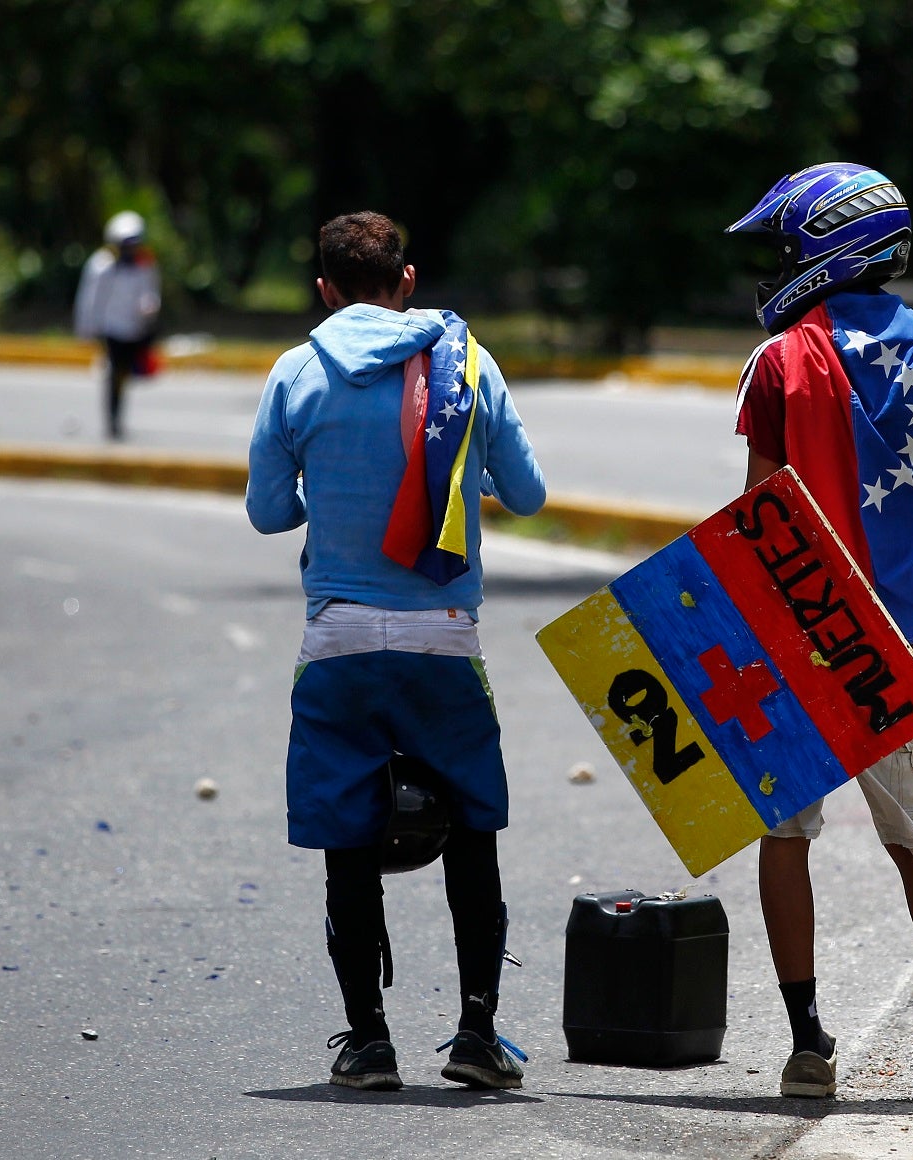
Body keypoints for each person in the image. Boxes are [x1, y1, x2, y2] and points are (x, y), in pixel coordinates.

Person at [726, 163, 913, 1101]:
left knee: (786, 837)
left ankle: (808, 1043)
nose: (775, 267)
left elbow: (759, 510)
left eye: (783, 247)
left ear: (822, 247)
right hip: (888, 643)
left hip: (798, 634)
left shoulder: (780, 362)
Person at [246, 211, 546, 1092]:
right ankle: (478, 1035)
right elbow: (527, 494)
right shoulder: (468, 363)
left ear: (324, 290)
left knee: (347, 834)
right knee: (472, 829)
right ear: (406, 282)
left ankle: (369, 1041)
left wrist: (324, 496)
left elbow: (269, 513)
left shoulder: (297, 370)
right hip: (444, 640)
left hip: (337, 637)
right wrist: (467, 473)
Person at [72, 210, 161, 441]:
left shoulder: (145, 265)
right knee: (114, 374)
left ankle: (118, 416)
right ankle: (113, 421)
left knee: (127, 374)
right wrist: (87, 329)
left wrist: (150, 307)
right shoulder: (101, 266)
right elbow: (90, 300)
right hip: (112, 329)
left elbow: (150, 293)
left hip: (135, 328)